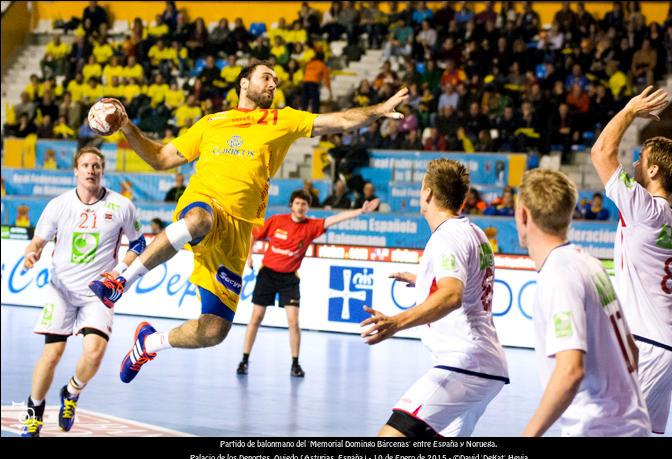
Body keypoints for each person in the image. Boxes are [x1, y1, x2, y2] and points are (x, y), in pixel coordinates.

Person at [89, 62, 409, 384]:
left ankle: (149, 343)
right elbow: (160, 158)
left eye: (276, 81)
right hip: (205, 204)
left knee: (214, 330)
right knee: (199, 219)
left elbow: (339, 120)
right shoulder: (212, 123)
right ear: (244, 83)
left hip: (238, 231)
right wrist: (128, 127)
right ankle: (120, 281)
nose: (273, 84)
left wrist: (378, 110)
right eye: (266, 77)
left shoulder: (283, 119)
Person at [590, 85, 672, 434]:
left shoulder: (644, 209)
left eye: (642, 160)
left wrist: (630, 110)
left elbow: (601, 152)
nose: (634, 164)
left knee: (606, 428)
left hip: (647, 346)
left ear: (656, 172)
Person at [360, 158, 509, 437]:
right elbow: (466, 284)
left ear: (427, 192)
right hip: (487, 366)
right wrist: (423, 281)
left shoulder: (446, 237)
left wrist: (396, 322)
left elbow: (452, 295)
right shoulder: (474, 232)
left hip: (465, 364)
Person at [20, 147, 146, 437]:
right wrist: (32, 254)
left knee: (94, 353)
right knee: (52, 354)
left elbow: (139, 245)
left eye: (96, 166)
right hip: (62, 289)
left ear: (103, 171)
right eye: (86, 165)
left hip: (98, 292)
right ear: (75, 171)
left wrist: (117, 272)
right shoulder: (59, 205)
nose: (91, 170)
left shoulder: (121, 206)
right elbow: (37, 241)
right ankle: (34, 409)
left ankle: (71, 391)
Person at [515, 169, 651, 437]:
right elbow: (632, 351)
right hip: (628, 424)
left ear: (523, 215)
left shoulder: (559, 273)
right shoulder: (589, 263)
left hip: (600, 429)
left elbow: (570, 370)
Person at [238, 190, 380, 377]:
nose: (300, 207)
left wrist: (360, 212)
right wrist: (249, 256)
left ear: (307, 207)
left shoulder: (311, 226)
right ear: (291, 205)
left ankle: (295, 364)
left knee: (293, 321)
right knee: (256, 317)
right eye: (297, 203)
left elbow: (335, 218)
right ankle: (244, 360)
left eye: (304, 204)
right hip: (267, 275)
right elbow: (252, 235)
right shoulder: (276, 221)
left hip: (289, 279)